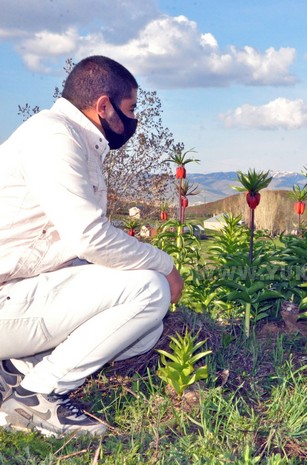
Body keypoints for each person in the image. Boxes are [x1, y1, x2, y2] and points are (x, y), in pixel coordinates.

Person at [0, 56, 184, 437]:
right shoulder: (54, 138)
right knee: (151, 290)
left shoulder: (74, 139)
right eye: (130, 109)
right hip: (7, 298)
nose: (134, 120)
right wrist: (165, 265)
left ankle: (16, 369)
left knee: (144, 329)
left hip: (19, 292)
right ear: (104, 106)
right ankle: (37, 397)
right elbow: (89, 236)